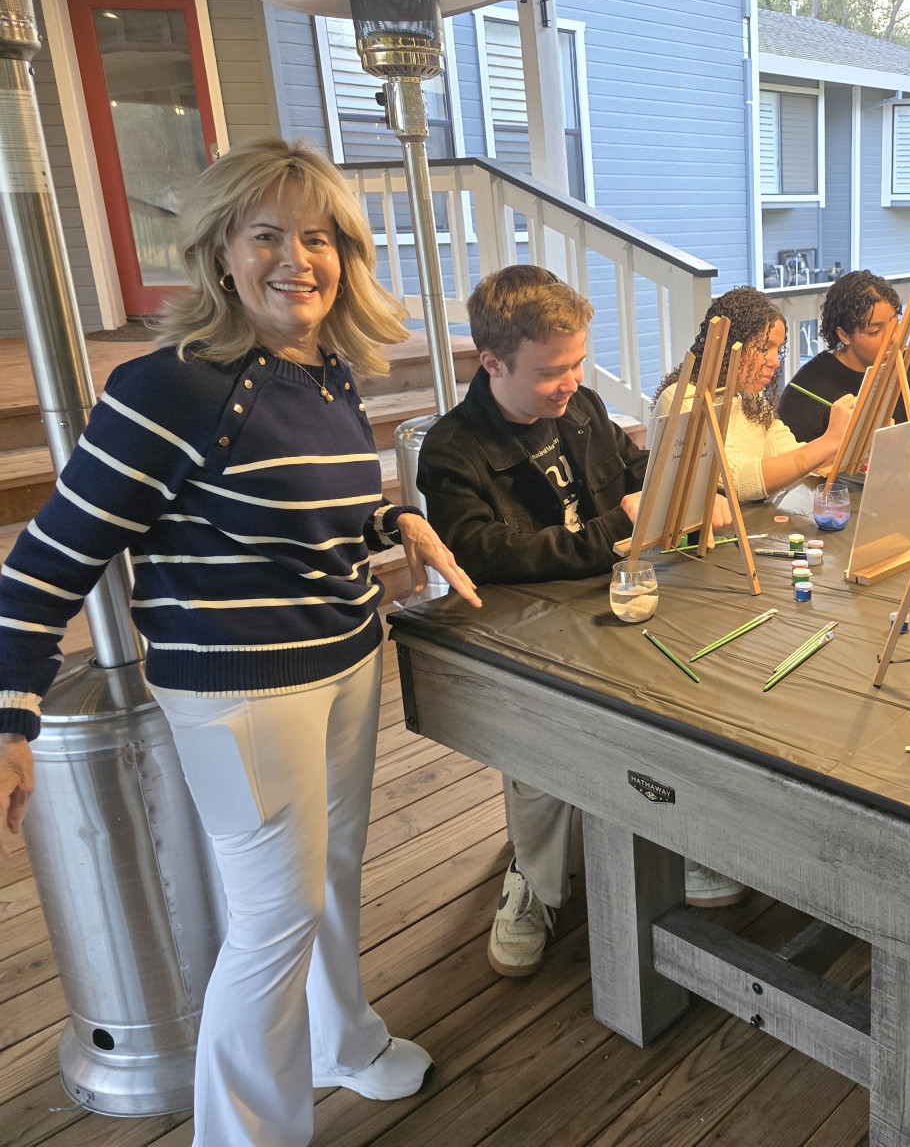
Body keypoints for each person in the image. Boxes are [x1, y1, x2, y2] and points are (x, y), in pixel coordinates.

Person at [0, 139, 478, 1147]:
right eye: (267, 236)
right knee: (271, 921)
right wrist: (11, 710)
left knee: (331, 874)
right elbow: (47, 559)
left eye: (319, 238)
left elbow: (312, 514)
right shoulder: (167, 388)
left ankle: (342, 1042)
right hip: (239, 695)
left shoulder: (326, 371)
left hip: (346, 655)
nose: (296, 259)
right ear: (219, 251)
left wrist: (396, 521)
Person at [417, 264, 737, 971]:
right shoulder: (452, 449)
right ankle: (534, 879)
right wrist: (616, 529)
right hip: (525, 630)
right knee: (544, 746)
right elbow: (485, 554)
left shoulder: (584, 407)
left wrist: (685, 491)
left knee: (692, 695)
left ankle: (675, 840)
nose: (571, 382)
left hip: (611, 600)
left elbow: (635, 472)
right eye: (551, 371)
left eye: (577, 363)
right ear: (492, 363)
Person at [653, 286, 856, 502]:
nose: (775, 361)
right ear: (729, 345)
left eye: (778, 350)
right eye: (763, 348)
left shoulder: (748, 398)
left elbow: (789, 453)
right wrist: (828, 442)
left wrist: (851, 439)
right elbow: (736, 480)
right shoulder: (683, 400)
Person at [776, 270, 910, 444]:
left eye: (895, 323)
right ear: (844, 335)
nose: (893, 338)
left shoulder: (903, 361)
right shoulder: (806, 392)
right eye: (874, 331)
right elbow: (798, 457)